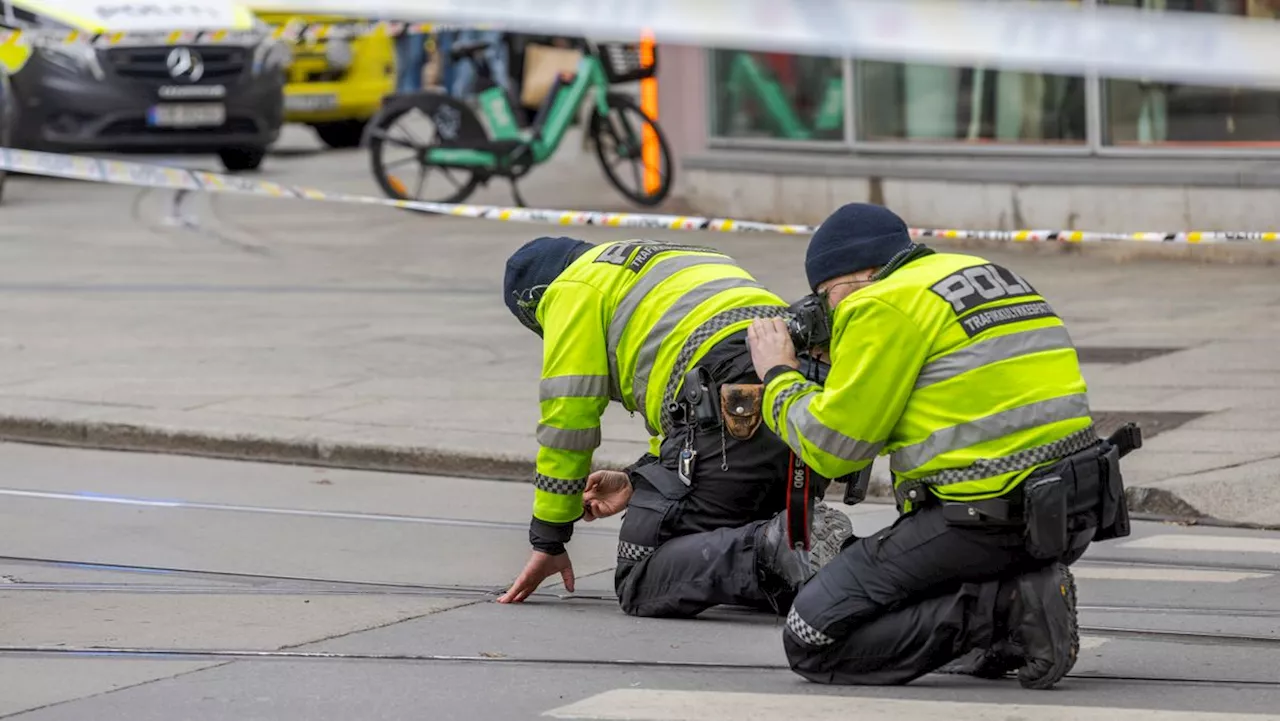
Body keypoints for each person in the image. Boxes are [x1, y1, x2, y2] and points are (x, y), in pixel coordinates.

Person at [745, 202, 1137, 690]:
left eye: (825, 298)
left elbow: (834, 449)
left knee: (811, 636)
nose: (828, 313)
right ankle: (1006, 619)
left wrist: (780, 374)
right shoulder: (984, 273)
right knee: (903, 577)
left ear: (856, 277)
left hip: (992, 521)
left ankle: (1012, 608)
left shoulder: (880, 303)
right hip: (1073, 509)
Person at [496, 236, 854, 618]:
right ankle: (854, 568)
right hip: (795, 387)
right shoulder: (669, 259)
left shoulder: (572, 287)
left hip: (726, 398)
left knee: (644, 574)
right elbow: (676, 412)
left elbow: (568, 420)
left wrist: (549, 536)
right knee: (733, 551)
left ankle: (784, 544)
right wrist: (637, 479)